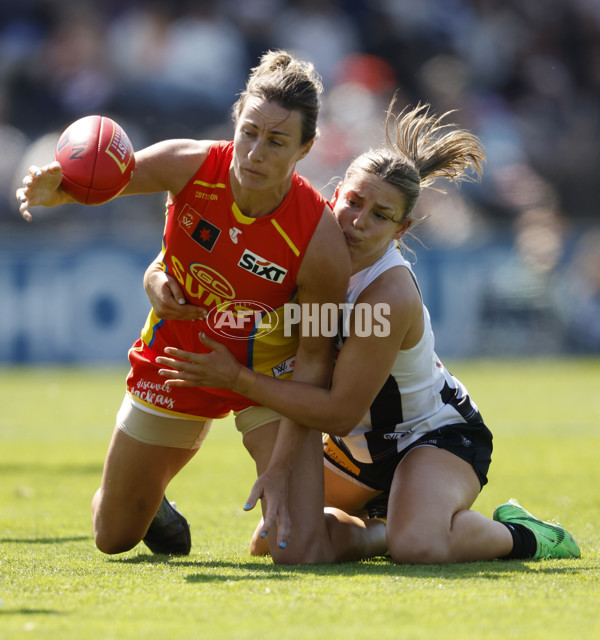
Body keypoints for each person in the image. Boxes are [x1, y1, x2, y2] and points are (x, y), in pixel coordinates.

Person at [151, 100, 581, 563]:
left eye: (380, 215)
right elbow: (304, 370)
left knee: (419, 546)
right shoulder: (305, 253)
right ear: (335, 194)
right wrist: (156, 276)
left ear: (402, 229)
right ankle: (385, 530)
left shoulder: (387, 296)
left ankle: (523, 534)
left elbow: (337, 412)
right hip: (358, 450)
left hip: (432, 437)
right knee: (277, 542)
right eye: (354, 202)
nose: (358, 222)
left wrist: (235, 380)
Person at [16, 50, 387, 564]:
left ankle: (381, 531)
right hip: (176, 363)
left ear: (306, 148)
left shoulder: (322, 244)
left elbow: (314, 359)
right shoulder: (187, 164)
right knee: (113, 536)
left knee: (297, 548)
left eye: (277, 141)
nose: (255, 152)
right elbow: (106, 180)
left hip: (269, 379)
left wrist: (281, 465)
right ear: (236, 121)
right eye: (249, 131)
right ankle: (153, 503)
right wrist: (61, 191)